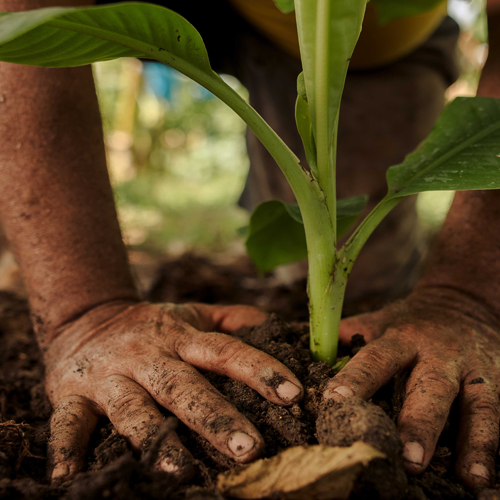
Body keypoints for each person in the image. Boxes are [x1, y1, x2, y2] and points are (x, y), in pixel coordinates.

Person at [0, 0, 499, 491]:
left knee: (367, 277)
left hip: (378, 43)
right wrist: (86, 311)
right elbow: (24, 18)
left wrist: (467, 296)